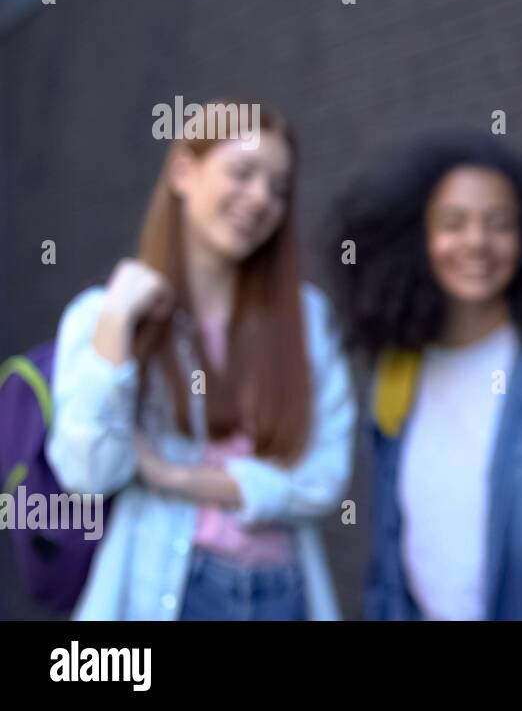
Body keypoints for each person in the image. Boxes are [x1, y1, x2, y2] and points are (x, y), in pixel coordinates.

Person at [46, 100, 356, 620]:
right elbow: (87, 471)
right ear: (184, 171)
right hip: (173, 591)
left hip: (284, 593)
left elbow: (323, 479)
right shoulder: (104, 315)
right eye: (243, 174)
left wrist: (174, 477)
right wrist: (117, 324)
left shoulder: (306, 318)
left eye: (278, 189)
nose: (260, 199)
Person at [332, 128, 522, 620]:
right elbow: (389, 556)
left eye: (499, 224)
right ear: (419, 239)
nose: (477, 241)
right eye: (453, 223)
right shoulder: (396, 376)